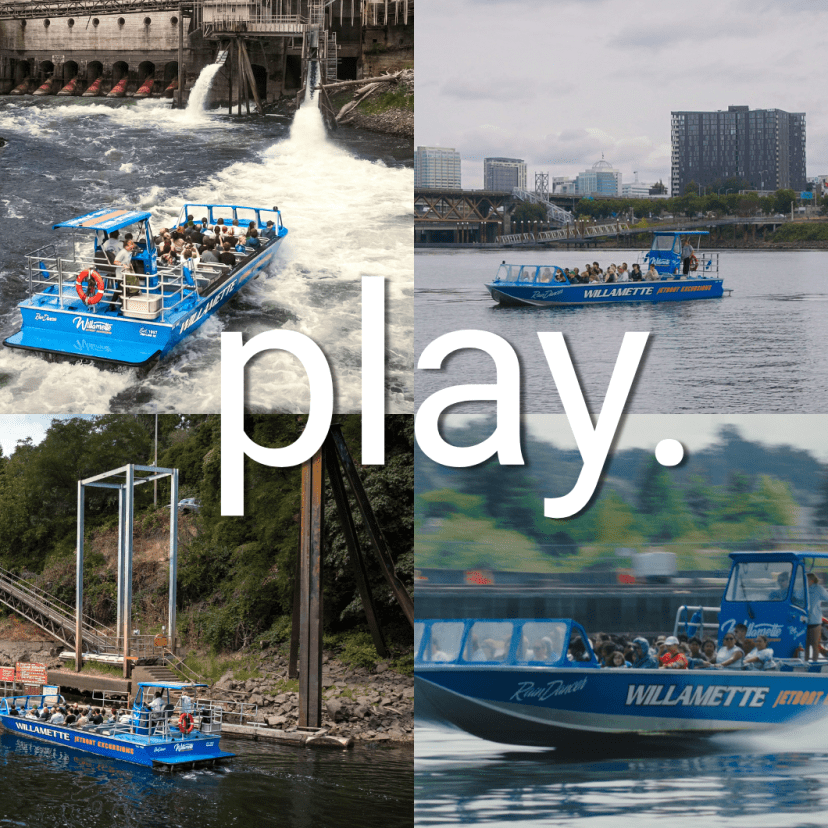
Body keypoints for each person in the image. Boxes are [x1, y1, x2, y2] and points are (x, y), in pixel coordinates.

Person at [806, 572, 828, 660]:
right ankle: (807, 662)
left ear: (811, 580)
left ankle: (813, 662)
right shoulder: (804, 588)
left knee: (814, 643)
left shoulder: (819, 589)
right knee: (807, 644)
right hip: (808, 620)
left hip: (814, 620)